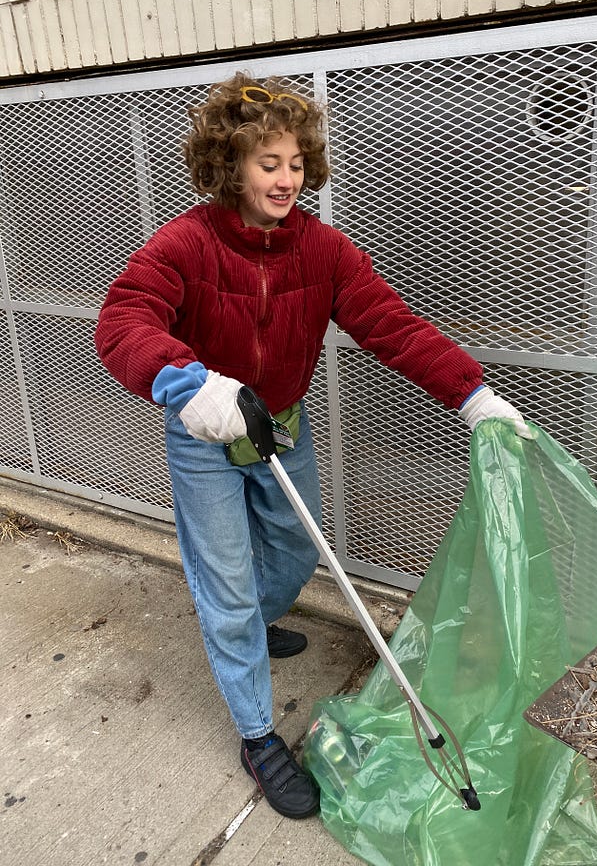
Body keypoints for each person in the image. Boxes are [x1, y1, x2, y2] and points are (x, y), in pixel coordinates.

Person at [94, 72, 531, 820]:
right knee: (227, 584)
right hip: (206, 426)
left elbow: (391, 325)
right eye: (268, 163)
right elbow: (123, 321)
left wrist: (472, 394)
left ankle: (250, 623)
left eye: (296, 163)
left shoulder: (325, 251)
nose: (286, 179)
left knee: (298, 554)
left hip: (280, 423)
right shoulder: (184, 243)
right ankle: (257, 733)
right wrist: (187, 384)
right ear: (230, 165)